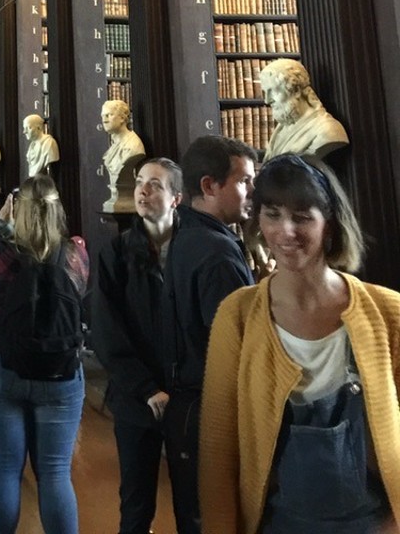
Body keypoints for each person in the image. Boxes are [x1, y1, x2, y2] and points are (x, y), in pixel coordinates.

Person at [200, 154, 400, 532]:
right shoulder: (238, 316)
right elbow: (218, 452)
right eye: (272, 214)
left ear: (330, 223)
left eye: (303, 216)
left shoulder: (388, 314)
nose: (285, 231)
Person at [0, 177, 86, 534]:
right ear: (57, 209)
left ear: (19, 210)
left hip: (0, 369)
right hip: (60, 373)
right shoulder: (76, 253)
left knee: (3, 468)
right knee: (55, 472)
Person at [162, 135, 256, 533]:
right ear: (208, 185)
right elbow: (237, 346)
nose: (252, 192)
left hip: (187, 402)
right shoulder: (216, 254)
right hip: (211, 407)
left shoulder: (186, 237)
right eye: (244, 181)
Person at [94, 158, 183, 534]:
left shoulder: (196, 251)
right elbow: (106, 329)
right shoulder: (115, 253)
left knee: (195, 501)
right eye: (141, 183)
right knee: (135, 501)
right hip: (136, 398)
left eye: (155, 185)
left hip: (188, 396)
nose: (143, 192)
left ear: (176, 198)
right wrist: (146, 388)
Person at [260, 58, 350, 160]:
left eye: (273, 91)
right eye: (265, 92)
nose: (267, 100)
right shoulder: (281, 129)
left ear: (296, 90)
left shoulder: (327, 131)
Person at [100, 100, 146, 213]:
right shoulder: (114, 145)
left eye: (109, 115)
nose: (104, 120)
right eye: (103, 116)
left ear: (122, 118)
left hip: (127, 201)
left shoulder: (133, 145)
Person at [22, 114, 59, 178]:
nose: (24, 132)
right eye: (24, 128)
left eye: (28, 128)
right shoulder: (31, 146)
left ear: (39, 127)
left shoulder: (49, 143)